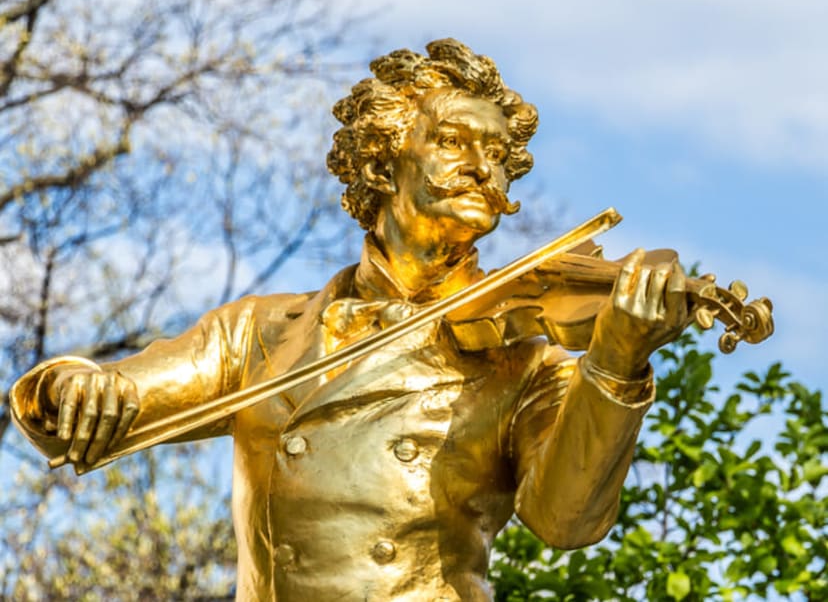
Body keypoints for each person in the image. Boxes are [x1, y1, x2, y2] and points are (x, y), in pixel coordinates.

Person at [11, 39, 688, 601]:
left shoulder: (526, 363)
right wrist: (73, 389)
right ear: (382, 160)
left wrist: (617, 359)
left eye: (499, 156)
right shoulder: (259, 333)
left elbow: (565, 518)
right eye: (454, 142)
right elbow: (122, 394)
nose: (483, 169)